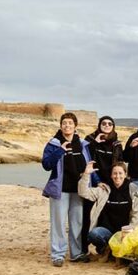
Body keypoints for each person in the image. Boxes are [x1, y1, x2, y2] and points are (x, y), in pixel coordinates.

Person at [41, 113, 95, 266]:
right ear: (60, 126)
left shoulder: (83, 144)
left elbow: (89, 166)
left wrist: (96, 183)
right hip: (60, 189)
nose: (67, 126)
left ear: (75, 126)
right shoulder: (54, 143)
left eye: (70, 123)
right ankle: (58, 255)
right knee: (58, 223)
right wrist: (60, 151)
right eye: (64, 123)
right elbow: (46, 164)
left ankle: (76, 253)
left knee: (77, 222)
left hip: (78, 190)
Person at [78, 161, 138, 260]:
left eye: (120, 173)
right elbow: (83, 192)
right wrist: (86, 174)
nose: (117, 176)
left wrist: (129, 233)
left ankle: (114, 252)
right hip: (107, 232)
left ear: (125, 175)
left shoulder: (134, 190)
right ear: (111, 175)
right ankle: (106, 249)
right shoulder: (104, 189)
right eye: (115, 173)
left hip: (125, 232)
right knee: (94, 234)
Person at [80, 115, 124, 257]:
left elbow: (119, 163)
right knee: (87, 215)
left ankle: (103, 246)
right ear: (99, 125)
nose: (106, 125)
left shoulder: (116, 143)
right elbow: (85, 158)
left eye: (110, 123)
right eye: (103, 123)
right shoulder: (90, 139)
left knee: (105, 213)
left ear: (113, 126)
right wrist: (95, 144)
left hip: (110, 184)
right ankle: (84, 248)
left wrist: (117, 181)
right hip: (94, 181)